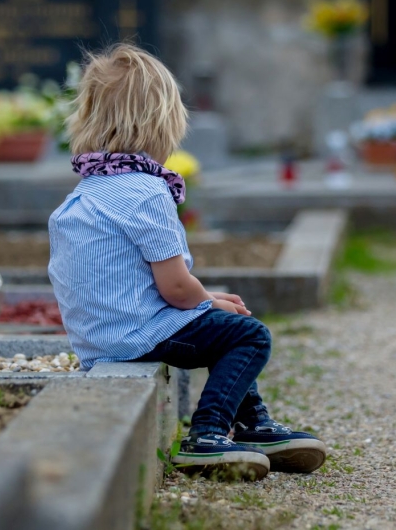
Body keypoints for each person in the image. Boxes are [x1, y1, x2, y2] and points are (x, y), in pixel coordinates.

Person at [48, 44, 326, 480]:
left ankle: (252, 423)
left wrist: (206, 300)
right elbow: (176, 289)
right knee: (249, 337)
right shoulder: (144, 190)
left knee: (223, 332)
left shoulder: (83, 194)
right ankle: (209, 433)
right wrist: (206, 303)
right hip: (137, 335)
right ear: (162, 124)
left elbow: (136, 281)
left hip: (100, 338)